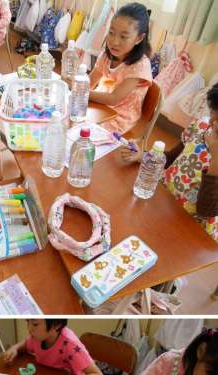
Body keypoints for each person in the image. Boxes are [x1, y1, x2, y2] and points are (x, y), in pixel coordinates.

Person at [121, 83, 218, 242]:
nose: (214, 121)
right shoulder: (201, 126)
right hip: (162, 202)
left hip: (191, 228)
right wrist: (143, 156)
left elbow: (206, 211)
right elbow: (173, 157)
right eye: (214, 111)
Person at [88, 2, 152, 134]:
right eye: (111, 32)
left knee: (83, 132)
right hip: (101, 106)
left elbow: (113, 99)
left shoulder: (140, 65)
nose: (114, 41)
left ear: (139, 38)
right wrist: (75, 84)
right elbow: (90, 82)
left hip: (120, 118)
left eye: (123, 37)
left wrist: (80, 91)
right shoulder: (106, 55)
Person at [3, 319, 104, 375]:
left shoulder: (70, 344)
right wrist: (15, 348)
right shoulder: (38, 337)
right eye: (27, 322)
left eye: (35, 324)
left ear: (57, 325)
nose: (29, 329)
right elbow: (26, 344)